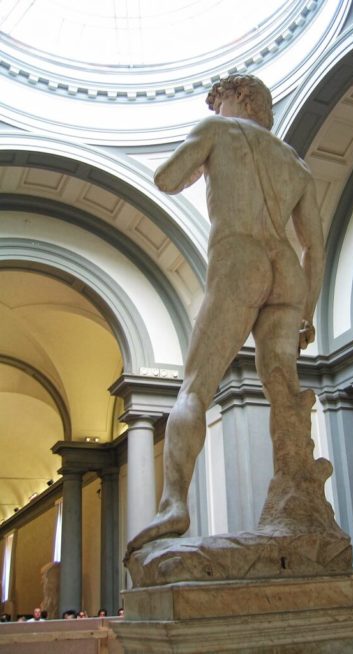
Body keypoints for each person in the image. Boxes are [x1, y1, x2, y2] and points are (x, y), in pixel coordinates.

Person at [126, 74, 325, 556]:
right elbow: (314, 249)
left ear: (240, 97)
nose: (216, 109)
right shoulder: (295, 164)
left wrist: (201, 160)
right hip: (287, 275)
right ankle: (298, 494)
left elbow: (166, 178)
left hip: (240, 259)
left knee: (195, 387)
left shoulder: (216, 131)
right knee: (284, 393)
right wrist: (308, 311)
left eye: (219, 100)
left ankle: (174, 504)